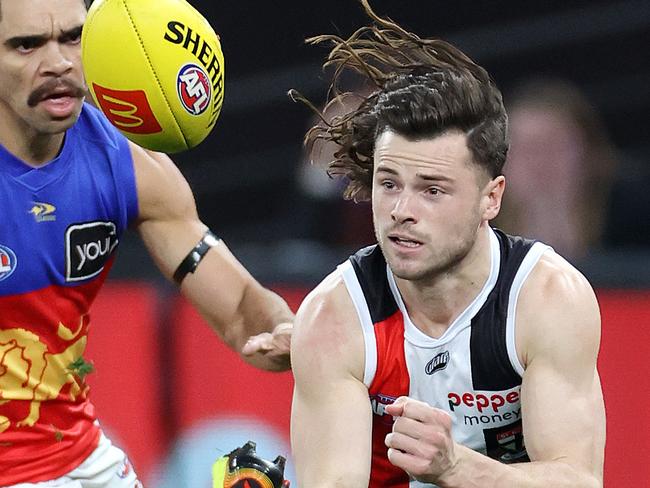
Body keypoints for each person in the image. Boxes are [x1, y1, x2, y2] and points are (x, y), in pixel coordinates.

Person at [290, 1, 605, 487]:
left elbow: (580, 482)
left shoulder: (548, 299)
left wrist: (455, 467)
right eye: (389, 183)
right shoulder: (334, 318)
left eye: (432, 190)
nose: (401, 210)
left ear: (491, 199)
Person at [0, 0, 293, 486]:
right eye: (26, 44)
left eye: (72, 37)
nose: (58, 63)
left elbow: (242, 309)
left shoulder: (128, 166)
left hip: (79, 460)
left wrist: (284, 330)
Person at [495, 78, 619, 262]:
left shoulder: (634, 231)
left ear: (589, 154)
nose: (539, 161)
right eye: (525, 147)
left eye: (556, 144)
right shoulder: (477, 242)